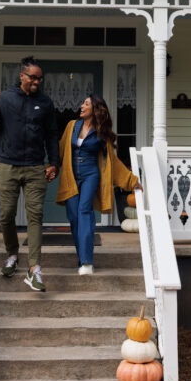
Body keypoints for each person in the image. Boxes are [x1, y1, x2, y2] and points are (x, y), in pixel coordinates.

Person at [0, 56, 60, 292]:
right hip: (8, 166)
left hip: (35, 166)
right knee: (6, 215)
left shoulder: (45, 103)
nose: (37, 81)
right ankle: (12, 255)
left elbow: (52, 135)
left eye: (39, 78)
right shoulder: (4, 99)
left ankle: (34, 269)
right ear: (21, 76)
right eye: (33, 77)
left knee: (35, 217)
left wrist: (53, 162)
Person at [56, 94, 142, 275]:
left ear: (95, 110)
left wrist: (131, 180)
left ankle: (87, 262)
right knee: (73, 217)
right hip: (71, 175)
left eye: (86, 104)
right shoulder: (72, 126)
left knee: (84, 212)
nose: (81, 106)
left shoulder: (101, 132)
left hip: (90, 174)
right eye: (82, 103)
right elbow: (61, 150)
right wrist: (52, 168)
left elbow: (113, 161)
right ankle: (82, 258)